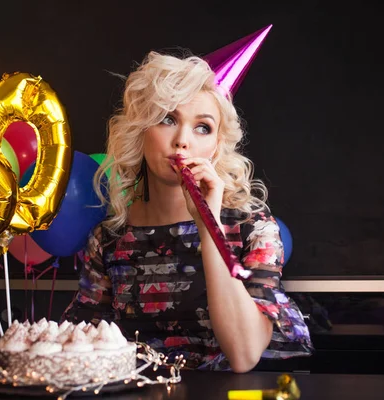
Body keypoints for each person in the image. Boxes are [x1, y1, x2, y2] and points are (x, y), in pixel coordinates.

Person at [62, 50, 313, 373]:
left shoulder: (253, 229)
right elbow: (76, 349)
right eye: (167, 119)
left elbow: (244, 354)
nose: (182, 141)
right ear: (141, 131)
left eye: (203, 128)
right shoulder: (109, 239)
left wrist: (208, 225)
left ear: (217, 146)